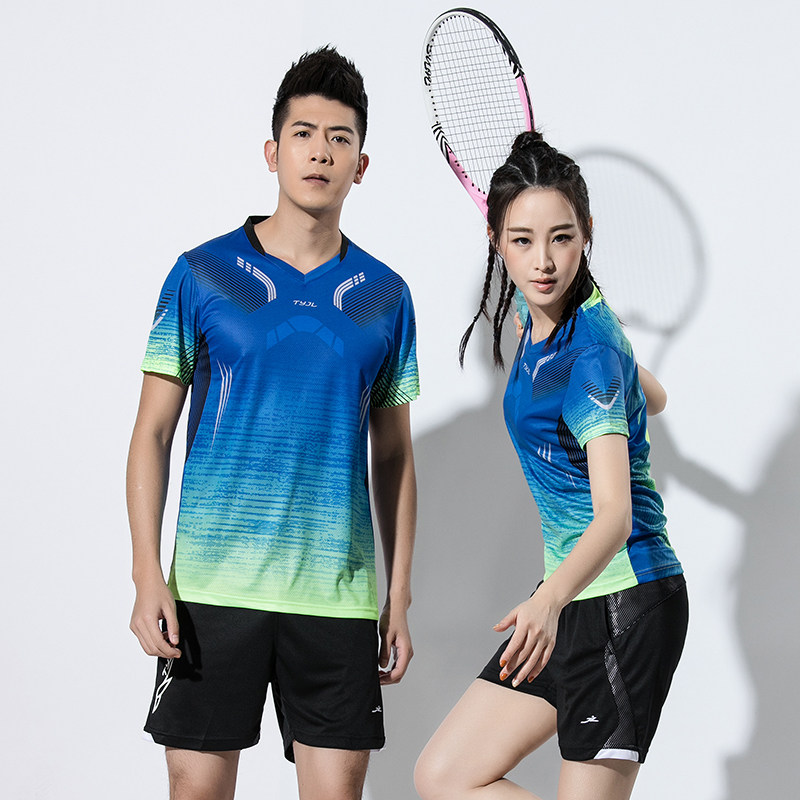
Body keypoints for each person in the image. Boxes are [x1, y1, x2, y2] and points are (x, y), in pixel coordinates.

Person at [127, 47, 419, 800]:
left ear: (361, 165)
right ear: (272, 151)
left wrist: (399, 595)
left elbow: (393, 456)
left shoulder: (385, 297)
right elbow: (152, 432)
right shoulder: (201, 273)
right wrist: (146, 572)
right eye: (304, 134)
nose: (321, 152)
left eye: (340, 138)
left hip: (336, 596)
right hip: (212, 589)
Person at [414, 131, 687, 800]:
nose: (542, 262)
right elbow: (654, 397)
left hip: (624, 600)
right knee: (445, 776)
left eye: (562, 239)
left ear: (587, 233)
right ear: (496, 240)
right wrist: (613, 361)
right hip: (574, 594)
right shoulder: (552, 317)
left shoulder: (588, 353)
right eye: (522, 240)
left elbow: (616, 516)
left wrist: (546, 601)